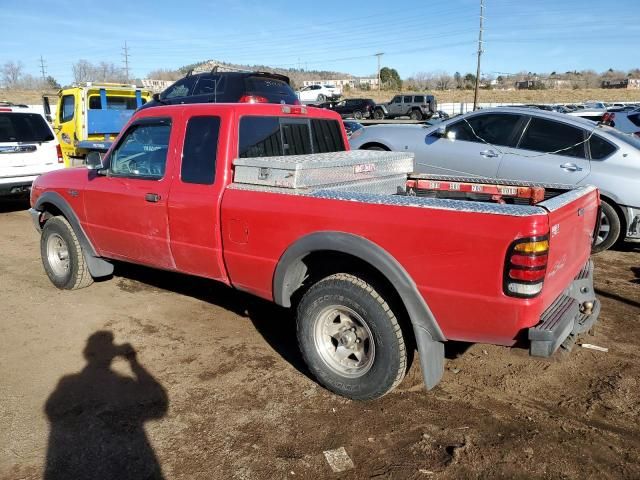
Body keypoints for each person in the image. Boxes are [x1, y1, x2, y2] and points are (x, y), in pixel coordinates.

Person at [44, 331, 168, 480]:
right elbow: (159, 402)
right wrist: (134, 362)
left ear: (87, 354)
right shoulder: (123, 385)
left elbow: (51, 410)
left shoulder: (68, 383)